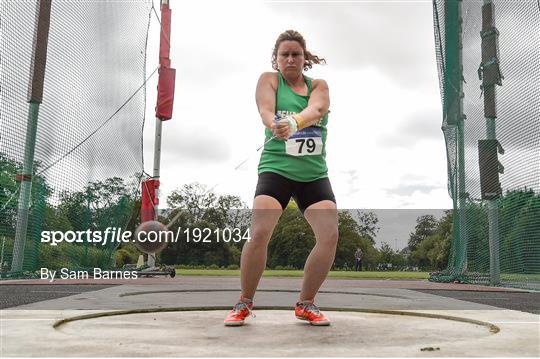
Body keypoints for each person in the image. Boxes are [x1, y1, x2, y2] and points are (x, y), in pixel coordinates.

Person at [224, 30, 338, 327]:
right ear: (276, 59)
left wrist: (294, 121)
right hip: (276, 168)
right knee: (260, 232)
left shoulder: (319, 85)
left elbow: (318, 109)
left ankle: (306, 303)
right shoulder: (269, 80)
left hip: (313, 174)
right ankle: (244, 301)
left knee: (329, 236)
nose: (290, 58)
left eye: (296, 54)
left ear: (304, 59)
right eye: (284, 54)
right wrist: (273, 121)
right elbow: (264, 108)